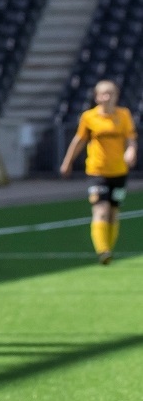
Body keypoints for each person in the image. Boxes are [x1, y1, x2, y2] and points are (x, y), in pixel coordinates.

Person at [59, 79, 137, 265]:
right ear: (97, 97)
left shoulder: (123, 115)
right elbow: (79, 140)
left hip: (119, 172)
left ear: (116, 96)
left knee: (113, 212)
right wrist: (67, 162)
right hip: (97, 172)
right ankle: (103, 250)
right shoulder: (89, 117)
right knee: (101, 210)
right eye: (103, 93)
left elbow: (131, 138)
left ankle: (108, 248)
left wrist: (131, 150)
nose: (107, 97)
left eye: (111, 93)